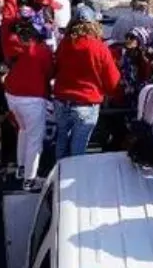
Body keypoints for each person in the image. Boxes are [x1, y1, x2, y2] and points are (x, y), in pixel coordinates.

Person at [51, 9, 119, 161]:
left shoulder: (65, 43)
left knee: (62, 138)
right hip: (86, 104)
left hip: (62, 100)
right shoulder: (99, 47)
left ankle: (59, 171)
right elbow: (112, 80)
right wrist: (109, 94)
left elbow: (55, 67)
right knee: (78, 147)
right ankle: (73, 178)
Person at [1, 13, 52, 190]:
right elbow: (49, 72)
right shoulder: (41, 51)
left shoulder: (14, 44)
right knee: (34, 140)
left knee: (23, 131)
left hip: (12, 95)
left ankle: (22, 169)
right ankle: (30, 180)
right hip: (32, 98)